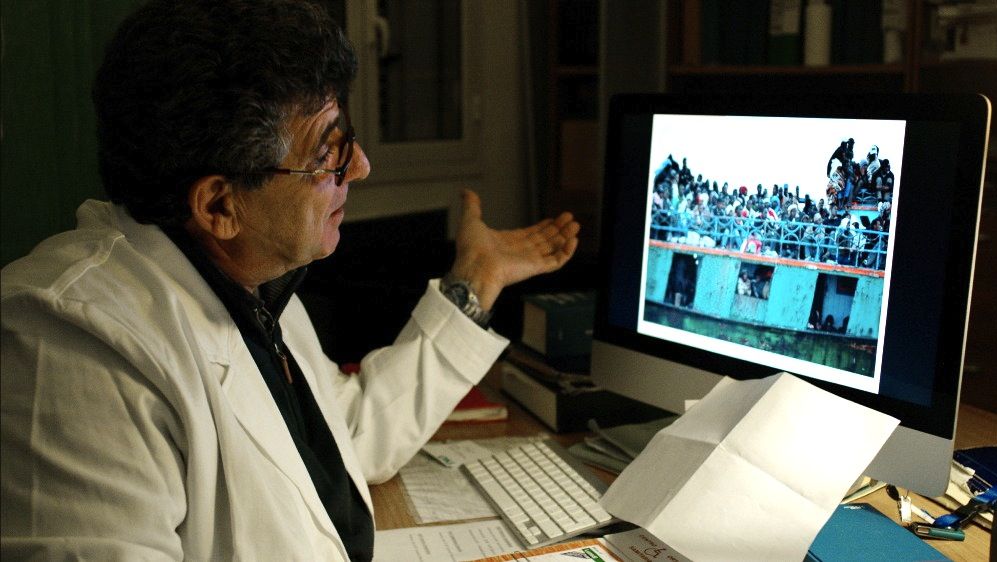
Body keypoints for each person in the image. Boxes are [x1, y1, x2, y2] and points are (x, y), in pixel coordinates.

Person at [0, 2, 580, 560]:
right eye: (328, 151)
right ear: (220, 205)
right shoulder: (70, 352)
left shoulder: (247, 281)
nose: (360, 166)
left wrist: (472, 285)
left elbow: (347, 435)